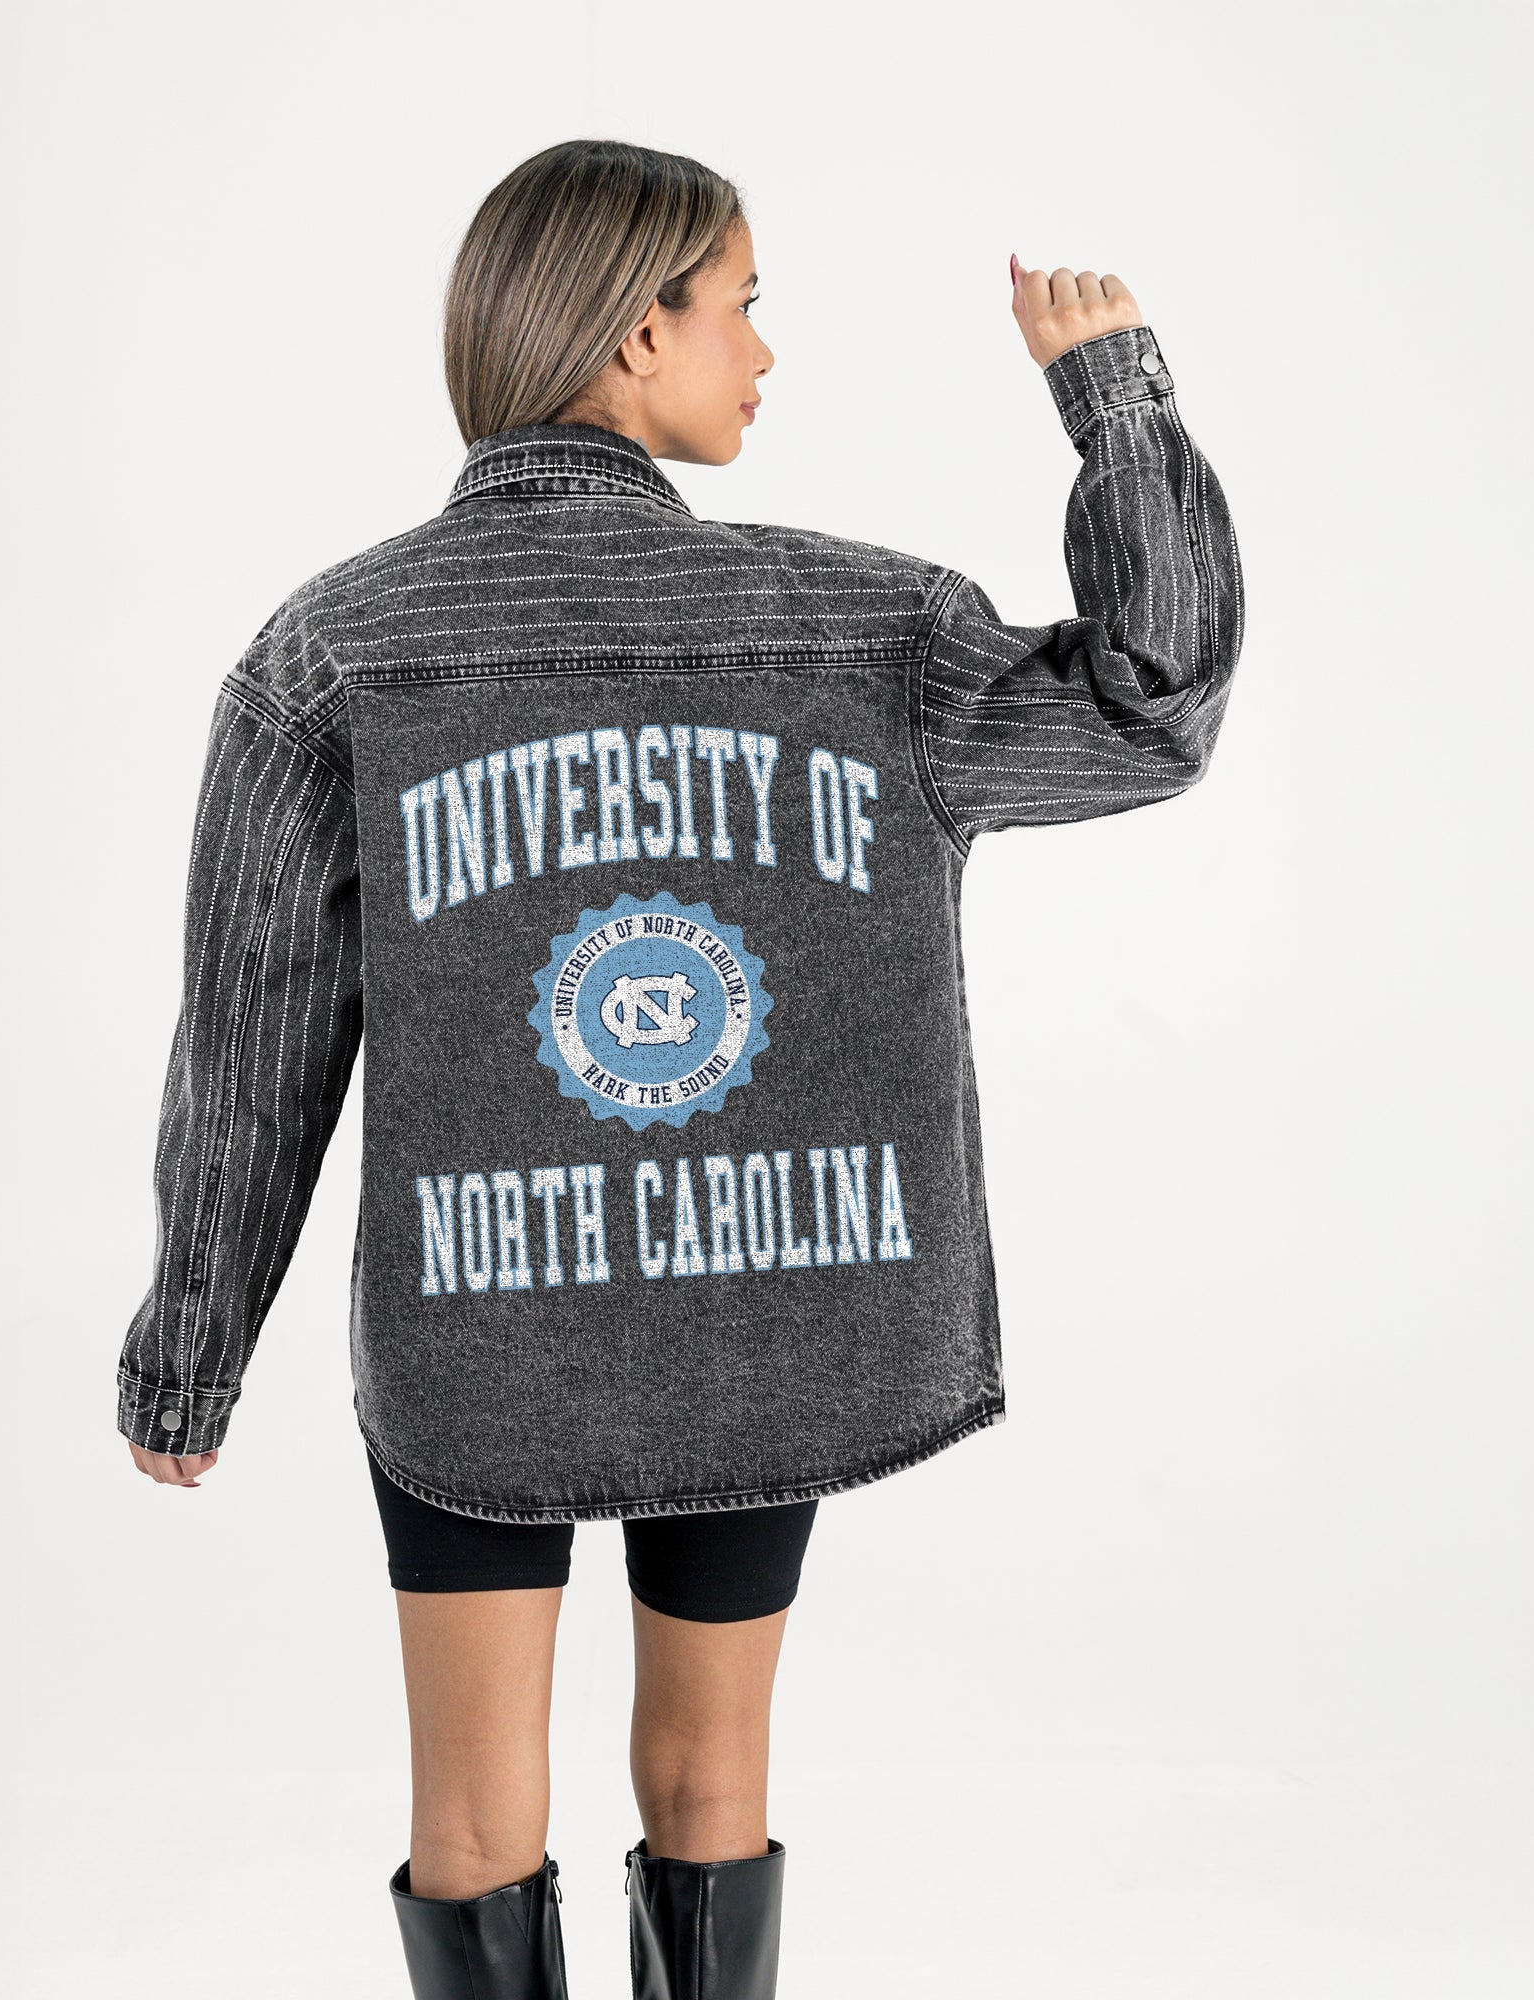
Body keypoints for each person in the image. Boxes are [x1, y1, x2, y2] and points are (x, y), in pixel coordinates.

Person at [115, 138, 1244, 2000]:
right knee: (715, 1783)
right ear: (639, 333)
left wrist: (191, 1344)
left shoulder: (333, 650)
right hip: (764, 1296)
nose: (764, 353)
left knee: (471, 1812)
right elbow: (1154, 708)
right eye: (743, 307)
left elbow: (253, 1032)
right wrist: (1112, 396)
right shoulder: (869, 634)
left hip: (480, 1323)